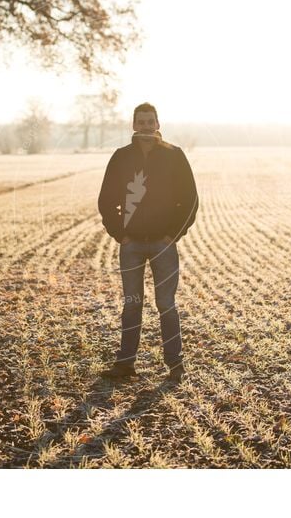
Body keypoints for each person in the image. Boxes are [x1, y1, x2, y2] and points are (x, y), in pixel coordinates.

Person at [97, 102, 199, 382]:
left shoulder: (174, 156)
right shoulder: (121, 157)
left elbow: (190, 200)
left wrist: (172, 235)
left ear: (157, 124)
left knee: (166, 303)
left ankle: (175, 365)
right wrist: (122, 234)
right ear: (134, 125)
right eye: (140, 122)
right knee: (132, 303)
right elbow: (106, 200)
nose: (145, 126)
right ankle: (126, 364)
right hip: (131, 245)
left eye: (149, 121)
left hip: (164, 244)